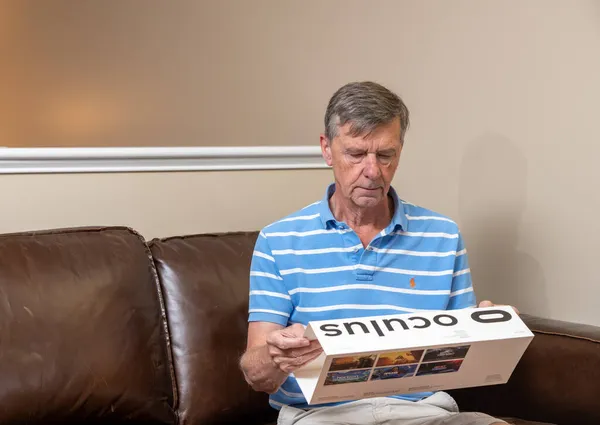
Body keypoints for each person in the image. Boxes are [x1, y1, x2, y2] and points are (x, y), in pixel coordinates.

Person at [239, 81, 509, 425]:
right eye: (355, 154)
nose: (372, 171)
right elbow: (255, 375)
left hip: (424, 414)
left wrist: (492, 333)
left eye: (385, 155)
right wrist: (276, 357)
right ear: (326, 149)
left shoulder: (443, 235)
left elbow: (459, 360)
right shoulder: (279, 240)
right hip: (322, 417)